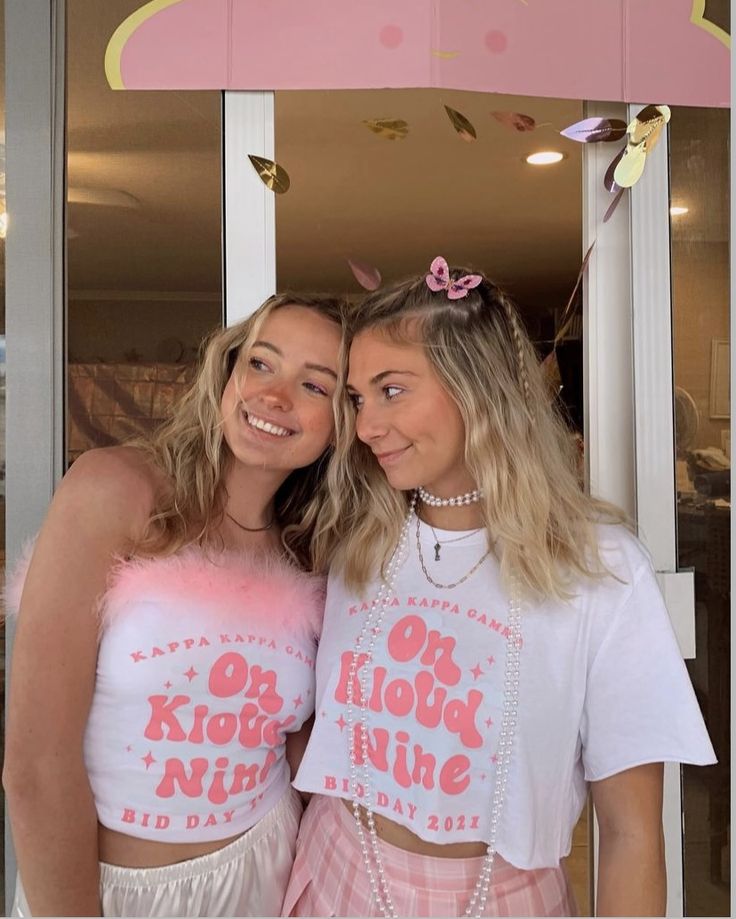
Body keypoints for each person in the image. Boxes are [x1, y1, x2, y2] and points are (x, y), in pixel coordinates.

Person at [283, 258, 716, 917]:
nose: (366, 424)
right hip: (333, 874)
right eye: (356, 397)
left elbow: (630, 833)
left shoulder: (598, 568)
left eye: (391, 389)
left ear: (477, 389)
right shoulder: (353, 538)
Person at [3, 292, 345, 917]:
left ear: (341, 422)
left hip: (266, 876)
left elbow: (301, 745)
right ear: (229, 371)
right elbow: (34, 765)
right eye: (261, 364)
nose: (274, 397)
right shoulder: (116, 489)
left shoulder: (313, 552)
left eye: (315, 386)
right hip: (108, 891)